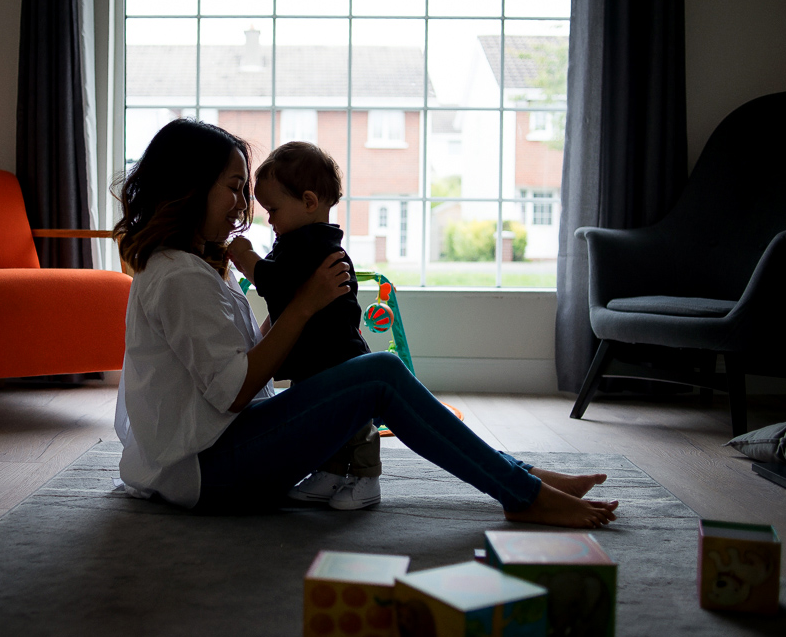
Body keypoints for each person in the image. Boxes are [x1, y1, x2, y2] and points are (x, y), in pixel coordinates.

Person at [112, 118, 619, 529]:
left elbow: (238, 364)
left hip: (216, 453)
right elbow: (233, 391)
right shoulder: (178, 278)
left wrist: (299, 314)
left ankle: (523, 478)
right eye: (233, 189)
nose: (244, 207)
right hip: (211, 471)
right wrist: (305, 306)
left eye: (247, 193)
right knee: (380, 373)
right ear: (190, 187)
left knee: (373, 372)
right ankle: (521, 491)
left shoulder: (189, 268)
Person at [227, 141, 381, 511]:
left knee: (354, 423)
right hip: (312, 354)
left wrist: (246, 257)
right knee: (321, 421)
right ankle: (329, 471)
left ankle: (366, 476)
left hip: (334, 354)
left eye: (274, 209)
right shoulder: (304, 242)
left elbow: (275, 282)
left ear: (310, 202)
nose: (270, 220)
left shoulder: (310, 245)